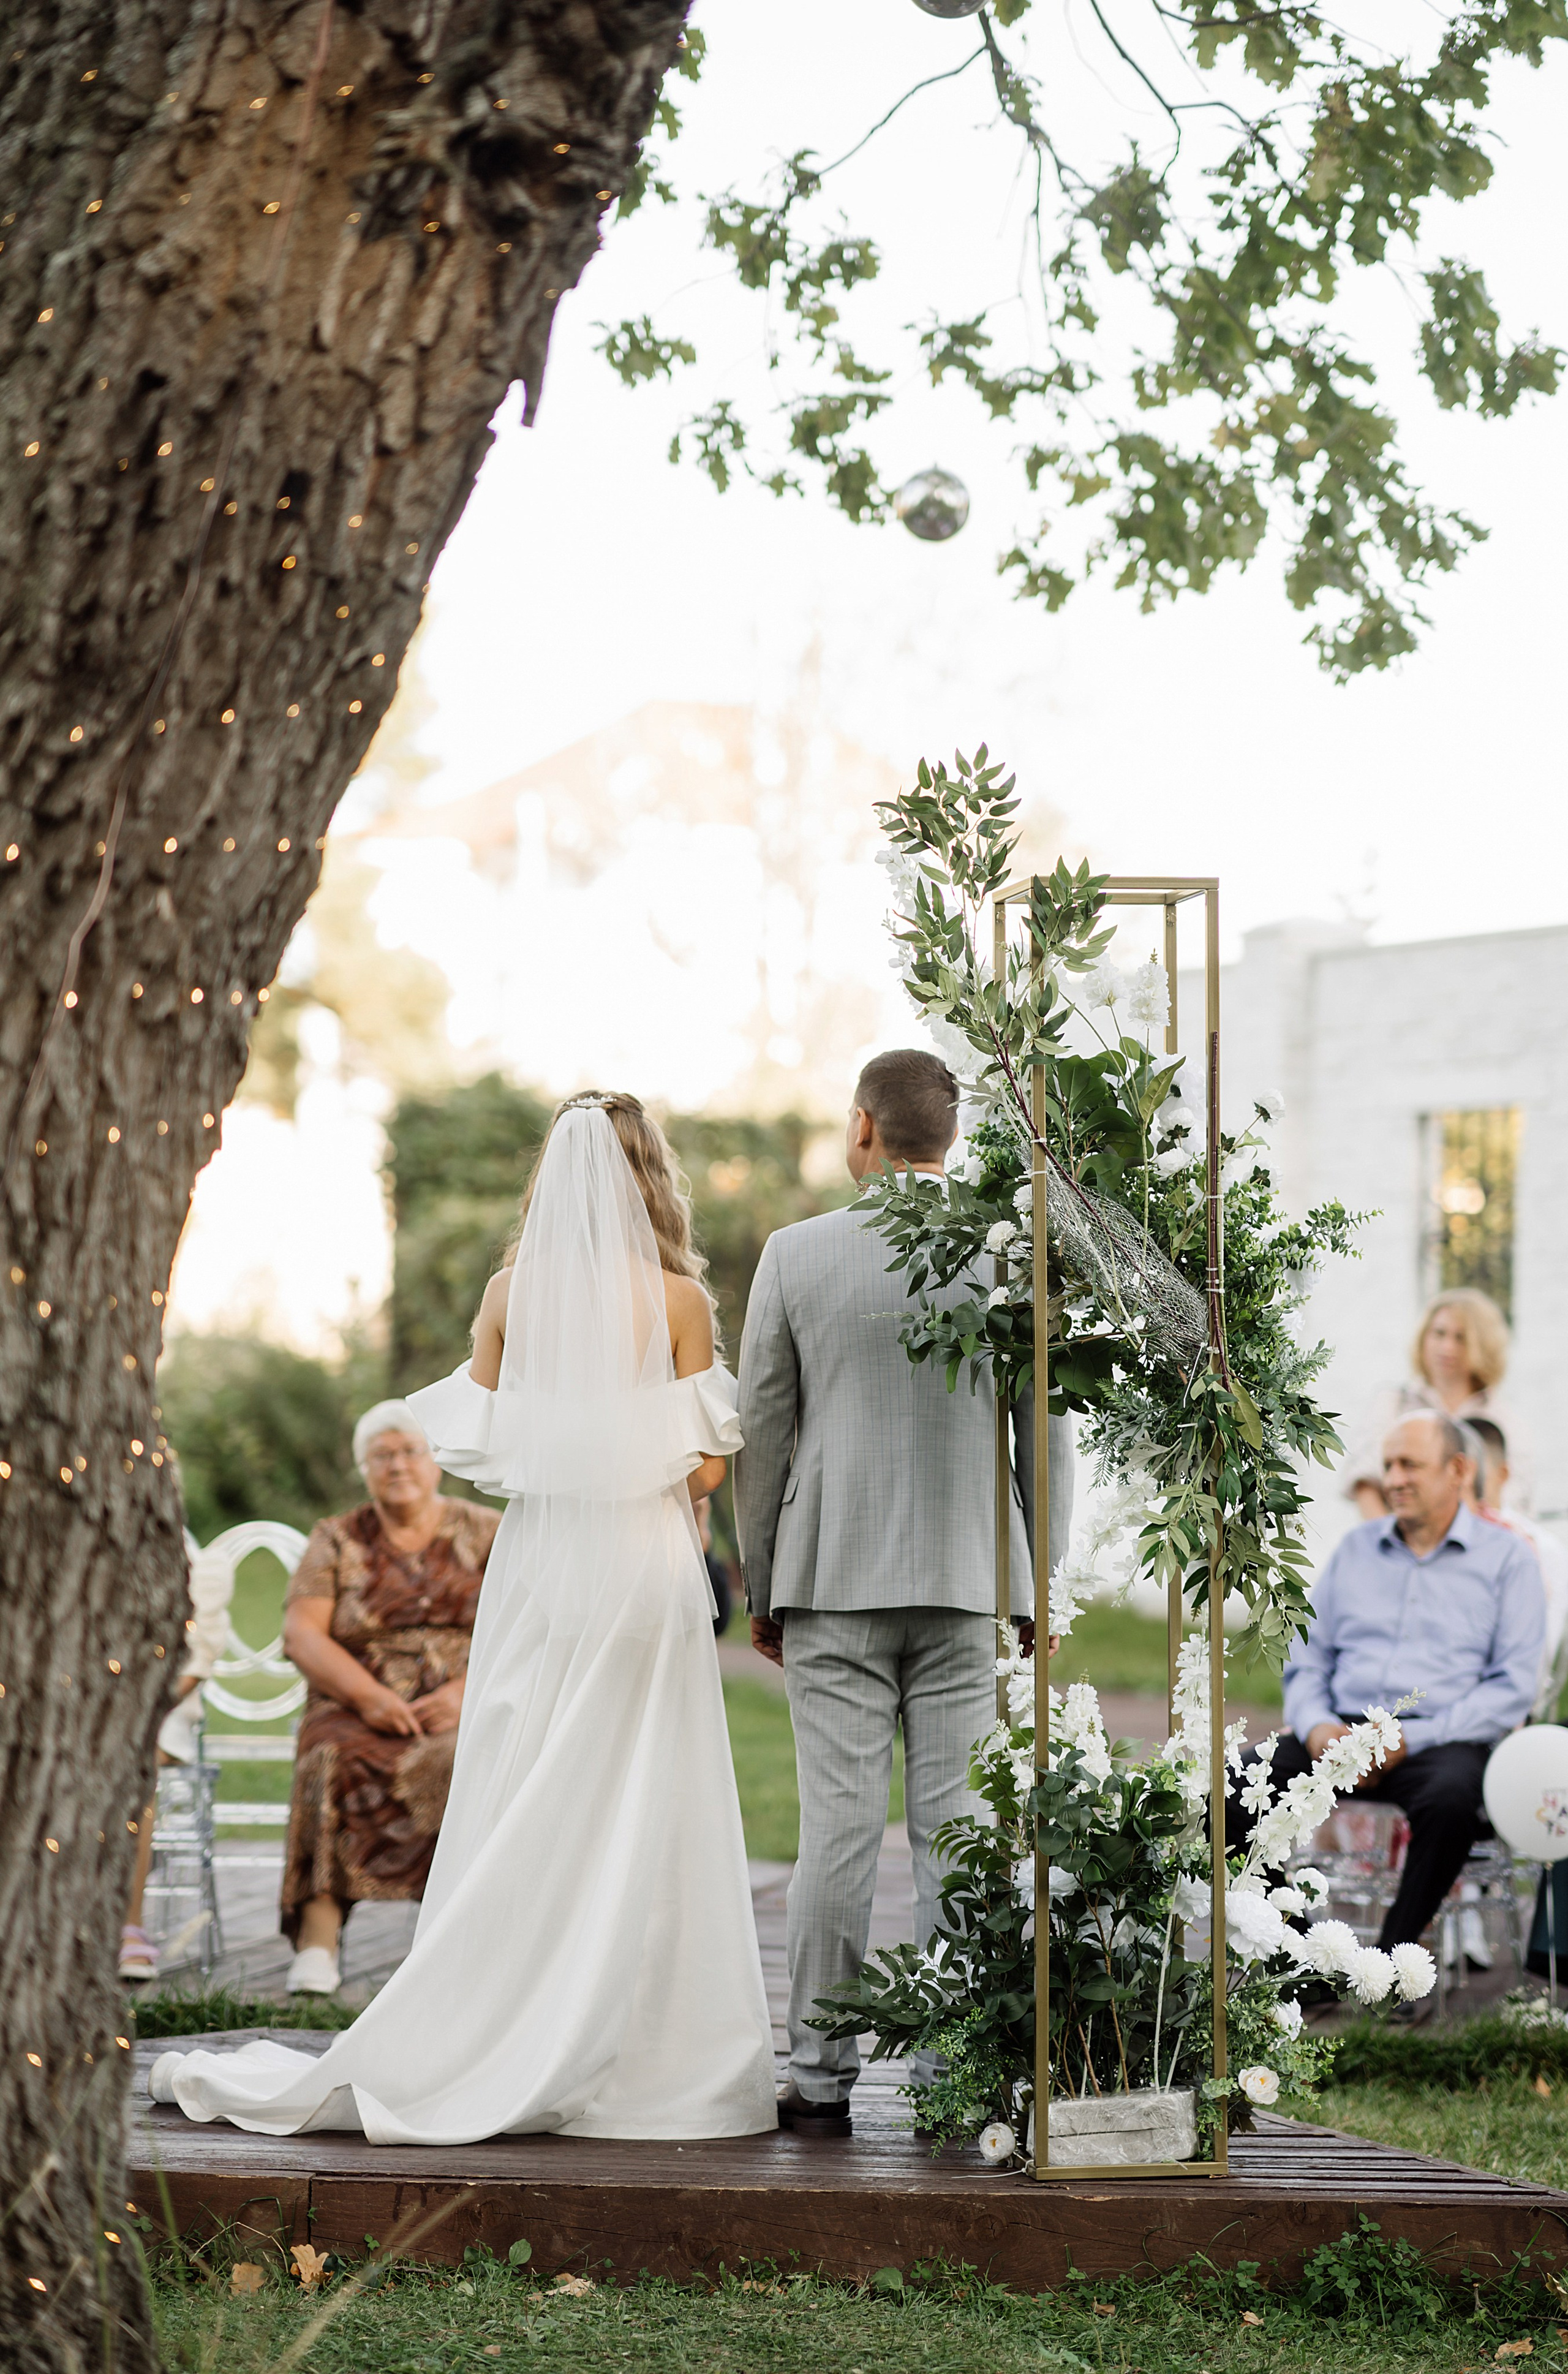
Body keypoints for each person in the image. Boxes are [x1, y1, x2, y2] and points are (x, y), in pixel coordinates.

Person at [150, 1094, 775, 2142]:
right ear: (648, 1179)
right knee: (644, 1786)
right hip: (639, 1557)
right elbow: (707, 1465)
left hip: (539, 1562)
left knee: (530, 1775)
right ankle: (645, 2051)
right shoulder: (679, 1301)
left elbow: (475, 1438)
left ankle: (498, 2014)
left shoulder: (507, 1294)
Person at [735, 1047, 1074, 2131]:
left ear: (865, 1127)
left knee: (837, 1832)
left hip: (833, 1576)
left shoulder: (796, 1255)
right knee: (957, 1832)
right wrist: (1037, 1580)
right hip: (972, 1576)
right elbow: (1046, 1437)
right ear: (953, 1139)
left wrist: (761, 1581)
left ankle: (823, 2077)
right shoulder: (1012, 1253)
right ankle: (948, 2071)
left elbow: (762, 1439)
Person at [1227, 1409, 1543, 1951]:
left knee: (1451, 1802)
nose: (1393, 1478)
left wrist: (1407, 1739)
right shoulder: (1354, 1550)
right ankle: (1305, 1956)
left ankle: (1391, 1966)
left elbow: (1513, 1684)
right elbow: (1307, 1659)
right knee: (1231, 1789)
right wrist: (1320, 1727)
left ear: (1458, 1470)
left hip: (1441, 1741)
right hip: (1340, 1733)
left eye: (1410, 1465)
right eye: (1389, 1465)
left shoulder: (1509, 1560)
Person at [276, 1404, 501, 1995]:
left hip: (468, 1696)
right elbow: (302, 1633)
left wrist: (466, 1692)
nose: (398, 1464)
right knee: (330, 1753)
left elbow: (532, 1625)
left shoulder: (489, 1530)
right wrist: (369, 1696)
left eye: (410, 1451)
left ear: (438, 1464)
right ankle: (318, 1941)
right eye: (383, 1455)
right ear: (364, 1468)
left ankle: (458, 1940)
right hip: (356, 1701)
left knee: (473, 1756)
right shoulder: (337, 1537)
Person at [119, 1535, 235, 1982]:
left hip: (160, 1703)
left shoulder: (175, 1543)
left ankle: (127, 1922)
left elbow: (197, 1654)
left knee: (131, 1764)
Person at [1343, 1288, 1525, 1521]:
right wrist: (1390, 1548)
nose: (1447, 1348)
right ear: (1423, 1338)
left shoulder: (1502, 1418)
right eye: (1439, 1334)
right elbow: (1365, 1482)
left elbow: (1514, 1498)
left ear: (1483, 1345)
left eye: (1461, 1338)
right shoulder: (1394, 1403)